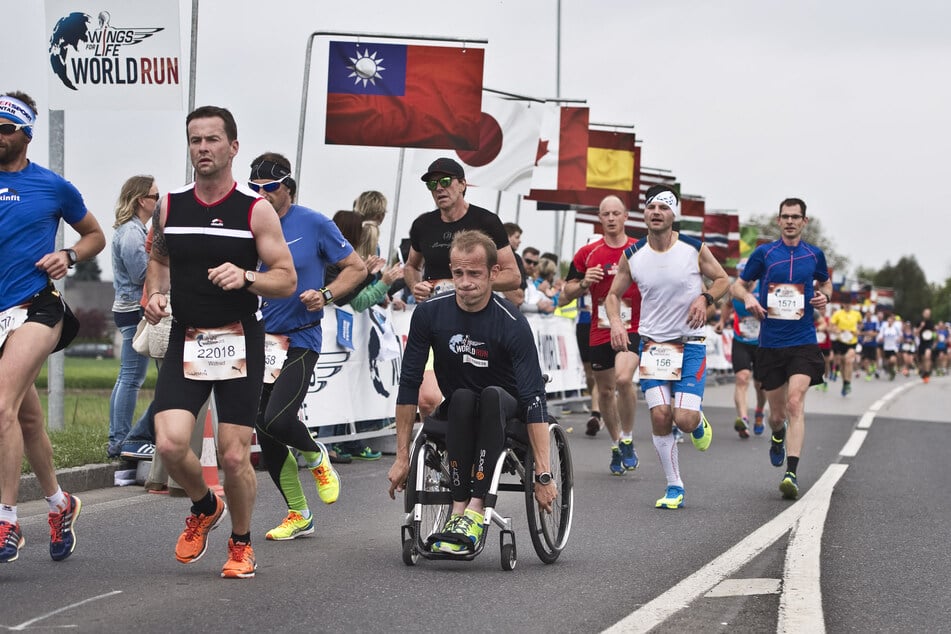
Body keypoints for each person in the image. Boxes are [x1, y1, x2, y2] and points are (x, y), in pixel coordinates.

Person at [144, 106, 297, 579]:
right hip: (187, 338)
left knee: (233, 455)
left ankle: (241, 542)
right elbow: (160, 256)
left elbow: (287, 280)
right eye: (195, 140)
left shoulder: (255, 209)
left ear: (233, 147)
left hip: (237, 338)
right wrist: (154, 293)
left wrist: (247, 276)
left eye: (213, 140)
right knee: (169, 446)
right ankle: (205, 506)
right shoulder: (170, 204)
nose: (203, 148)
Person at [386, 230, 557, 553]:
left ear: (493, 273)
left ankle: (475, 510)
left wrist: (544, 475)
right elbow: (409, 384)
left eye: (474, 273)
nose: (465, 282)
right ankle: (458, 509)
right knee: (463, 397)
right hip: (460, 407)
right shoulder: (429, 314)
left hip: (505, 411)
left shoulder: (512, 321)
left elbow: (534, 397)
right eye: (458, 273)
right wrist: (401, 457)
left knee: (489, 395)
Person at [0, 91, 106, 563]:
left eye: (5, 128)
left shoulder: (52, 186)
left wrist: (68, 255)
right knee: (25, 418)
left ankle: (5, 521)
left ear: (24, 135)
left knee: (0, 406)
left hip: (36, 308)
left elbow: (95, 235)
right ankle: (61, 503)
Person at [249, 153, 366, 541]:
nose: (262, 195)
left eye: (270, 188)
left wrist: (327, 293)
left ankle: (317, 456)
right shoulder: (245, 222)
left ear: (288, 188)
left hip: (300, 336)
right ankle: (299, 514)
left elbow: (357, 267)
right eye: (256, 189)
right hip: (257, 339)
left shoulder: (314, 223)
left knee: (279, 419)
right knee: (264, 433)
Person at [605, 185, 728, 509]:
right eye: (651, 207)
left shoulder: (692, 248)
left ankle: (697, 421)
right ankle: (674, 485)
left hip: (689, 345)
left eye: (664, 207)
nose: (656, 212)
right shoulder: (633, 255)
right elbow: (613, 295)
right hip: (655, 347)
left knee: (683, 419)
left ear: (674, 216)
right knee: (661, 415)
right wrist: (617, 323)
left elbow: (722, 280)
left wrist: (705, 297)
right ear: (644, 214)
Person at [730, 197, 832, 501]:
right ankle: (777, 435)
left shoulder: (815, 255)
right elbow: (738, 284)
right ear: (779, 221)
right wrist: (748, 298)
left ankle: (791, 472)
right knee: (777, 415)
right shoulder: (765, 253)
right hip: (771, 344)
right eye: (785, 217)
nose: (790, 221)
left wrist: (824, 297)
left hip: (803, 340)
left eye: (795, 217)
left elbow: (826, 285)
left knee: (795, 402)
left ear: (804, 221)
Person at [404, 158, 522, 418]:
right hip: (438, 321)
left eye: (445, 182)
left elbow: (513, 277)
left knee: (478, 398)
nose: (439, 188)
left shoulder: (486, 222)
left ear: (462, 184)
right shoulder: (423, 225)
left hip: (479, 321)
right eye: (432, 184)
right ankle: (439, 452)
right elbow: (411, 267)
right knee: (427, 399)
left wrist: (467, 286)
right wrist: (416, 286)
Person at [560, 195, 642, 474]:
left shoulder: (639, 249)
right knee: (605, 391)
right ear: (600, 217)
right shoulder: (588, 253)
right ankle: (617, 443)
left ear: (625, 216)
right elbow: (563, 297)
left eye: (615, 213)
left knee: (623, 378)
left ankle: (628, 437)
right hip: (600, 329)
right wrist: (584, 282)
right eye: (605, 213)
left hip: (632, 327)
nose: (610, 218)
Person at [107, 175, 157, 458]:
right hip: (133, 309)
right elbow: (141, 274)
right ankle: (121, 439)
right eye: (155, 196)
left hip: (127, 308)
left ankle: (118, 438)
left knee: (128, 376)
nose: (158, 201)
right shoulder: (132, 233)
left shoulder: (135, 230)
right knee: (131, 377)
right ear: (142, 200)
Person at [722, 260, 767, 437]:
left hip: (762, 343)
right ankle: (743, 419)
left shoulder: (764, 287)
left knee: (761, 384)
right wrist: (721, 321)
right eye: (742, 274)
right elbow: (727, 305)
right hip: (741, 340)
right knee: (742, 378)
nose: (746, 278)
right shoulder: (735, 289)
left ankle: (759, 412)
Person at [829, 302, 862, 396]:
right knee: (843, 363)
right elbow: (831, 327)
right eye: (846, 303)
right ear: (843, 304)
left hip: (852, 341)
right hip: (841, 341)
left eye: (849, 303)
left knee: (848, 360)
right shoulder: (838, 314)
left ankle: (848, 382)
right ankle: (845, 383)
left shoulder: (856, 314)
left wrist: (858, 331)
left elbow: (860, 325)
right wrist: (837, 330)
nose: (848, 305)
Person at [878, 312, 902, 380]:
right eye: (889, 320)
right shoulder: (884, 327)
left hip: (893, 347)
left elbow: (900, 335)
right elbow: (881, 335)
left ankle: (892, 371)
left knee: (892, 360)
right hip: (886, 347)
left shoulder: (896, 327)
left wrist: (899, 340)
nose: (890, 321)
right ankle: (891, 372)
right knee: (888, 362)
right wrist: (880, 338)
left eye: (891, 320)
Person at [915, 307, 936, 384]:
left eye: (929, 313)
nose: (927, 315)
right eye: (926, 313)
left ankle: (927, 373)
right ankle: (924, 372)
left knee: (927, 356)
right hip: (922, 342)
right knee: (923, 359)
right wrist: (921, 326)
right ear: (923, 314)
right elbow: (916, 333)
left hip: (929, 342)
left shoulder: (931, 322)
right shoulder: (919, 322)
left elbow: (934, 333)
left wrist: (934, 342)